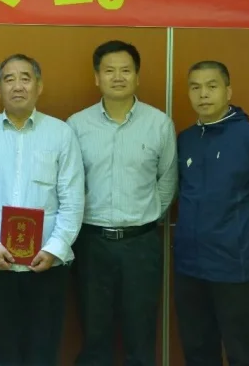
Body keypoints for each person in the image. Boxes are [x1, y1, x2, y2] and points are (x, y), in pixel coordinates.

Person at [0, 54, 85, 366]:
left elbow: (73, 198)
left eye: (25, 78)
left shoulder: (61, 133)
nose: (17, 86)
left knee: (43, 348)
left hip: (47, 262)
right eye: (9, 79)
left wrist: (55, 248)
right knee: (4, 348)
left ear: (39, 86)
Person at [66, 40, 177, 366]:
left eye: (126, 70)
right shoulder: (76, 125)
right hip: (91, 243)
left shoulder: (159, 124)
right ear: (96, 77)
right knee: (93, 331)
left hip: (141, 245)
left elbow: (167, 181)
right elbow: (68, 183)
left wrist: (144, 217)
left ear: (137, 77)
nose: (118, 77)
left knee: (140, 332)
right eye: (109, 70)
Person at [174, 60, 249, 366]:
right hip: (189, 267)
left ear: (228, 91)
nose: (203, 94)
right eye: (195, 87)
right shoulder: (185, 139)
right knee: (197, 352)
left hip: (234, 267)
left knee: (240, 353)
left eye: (212, 86)